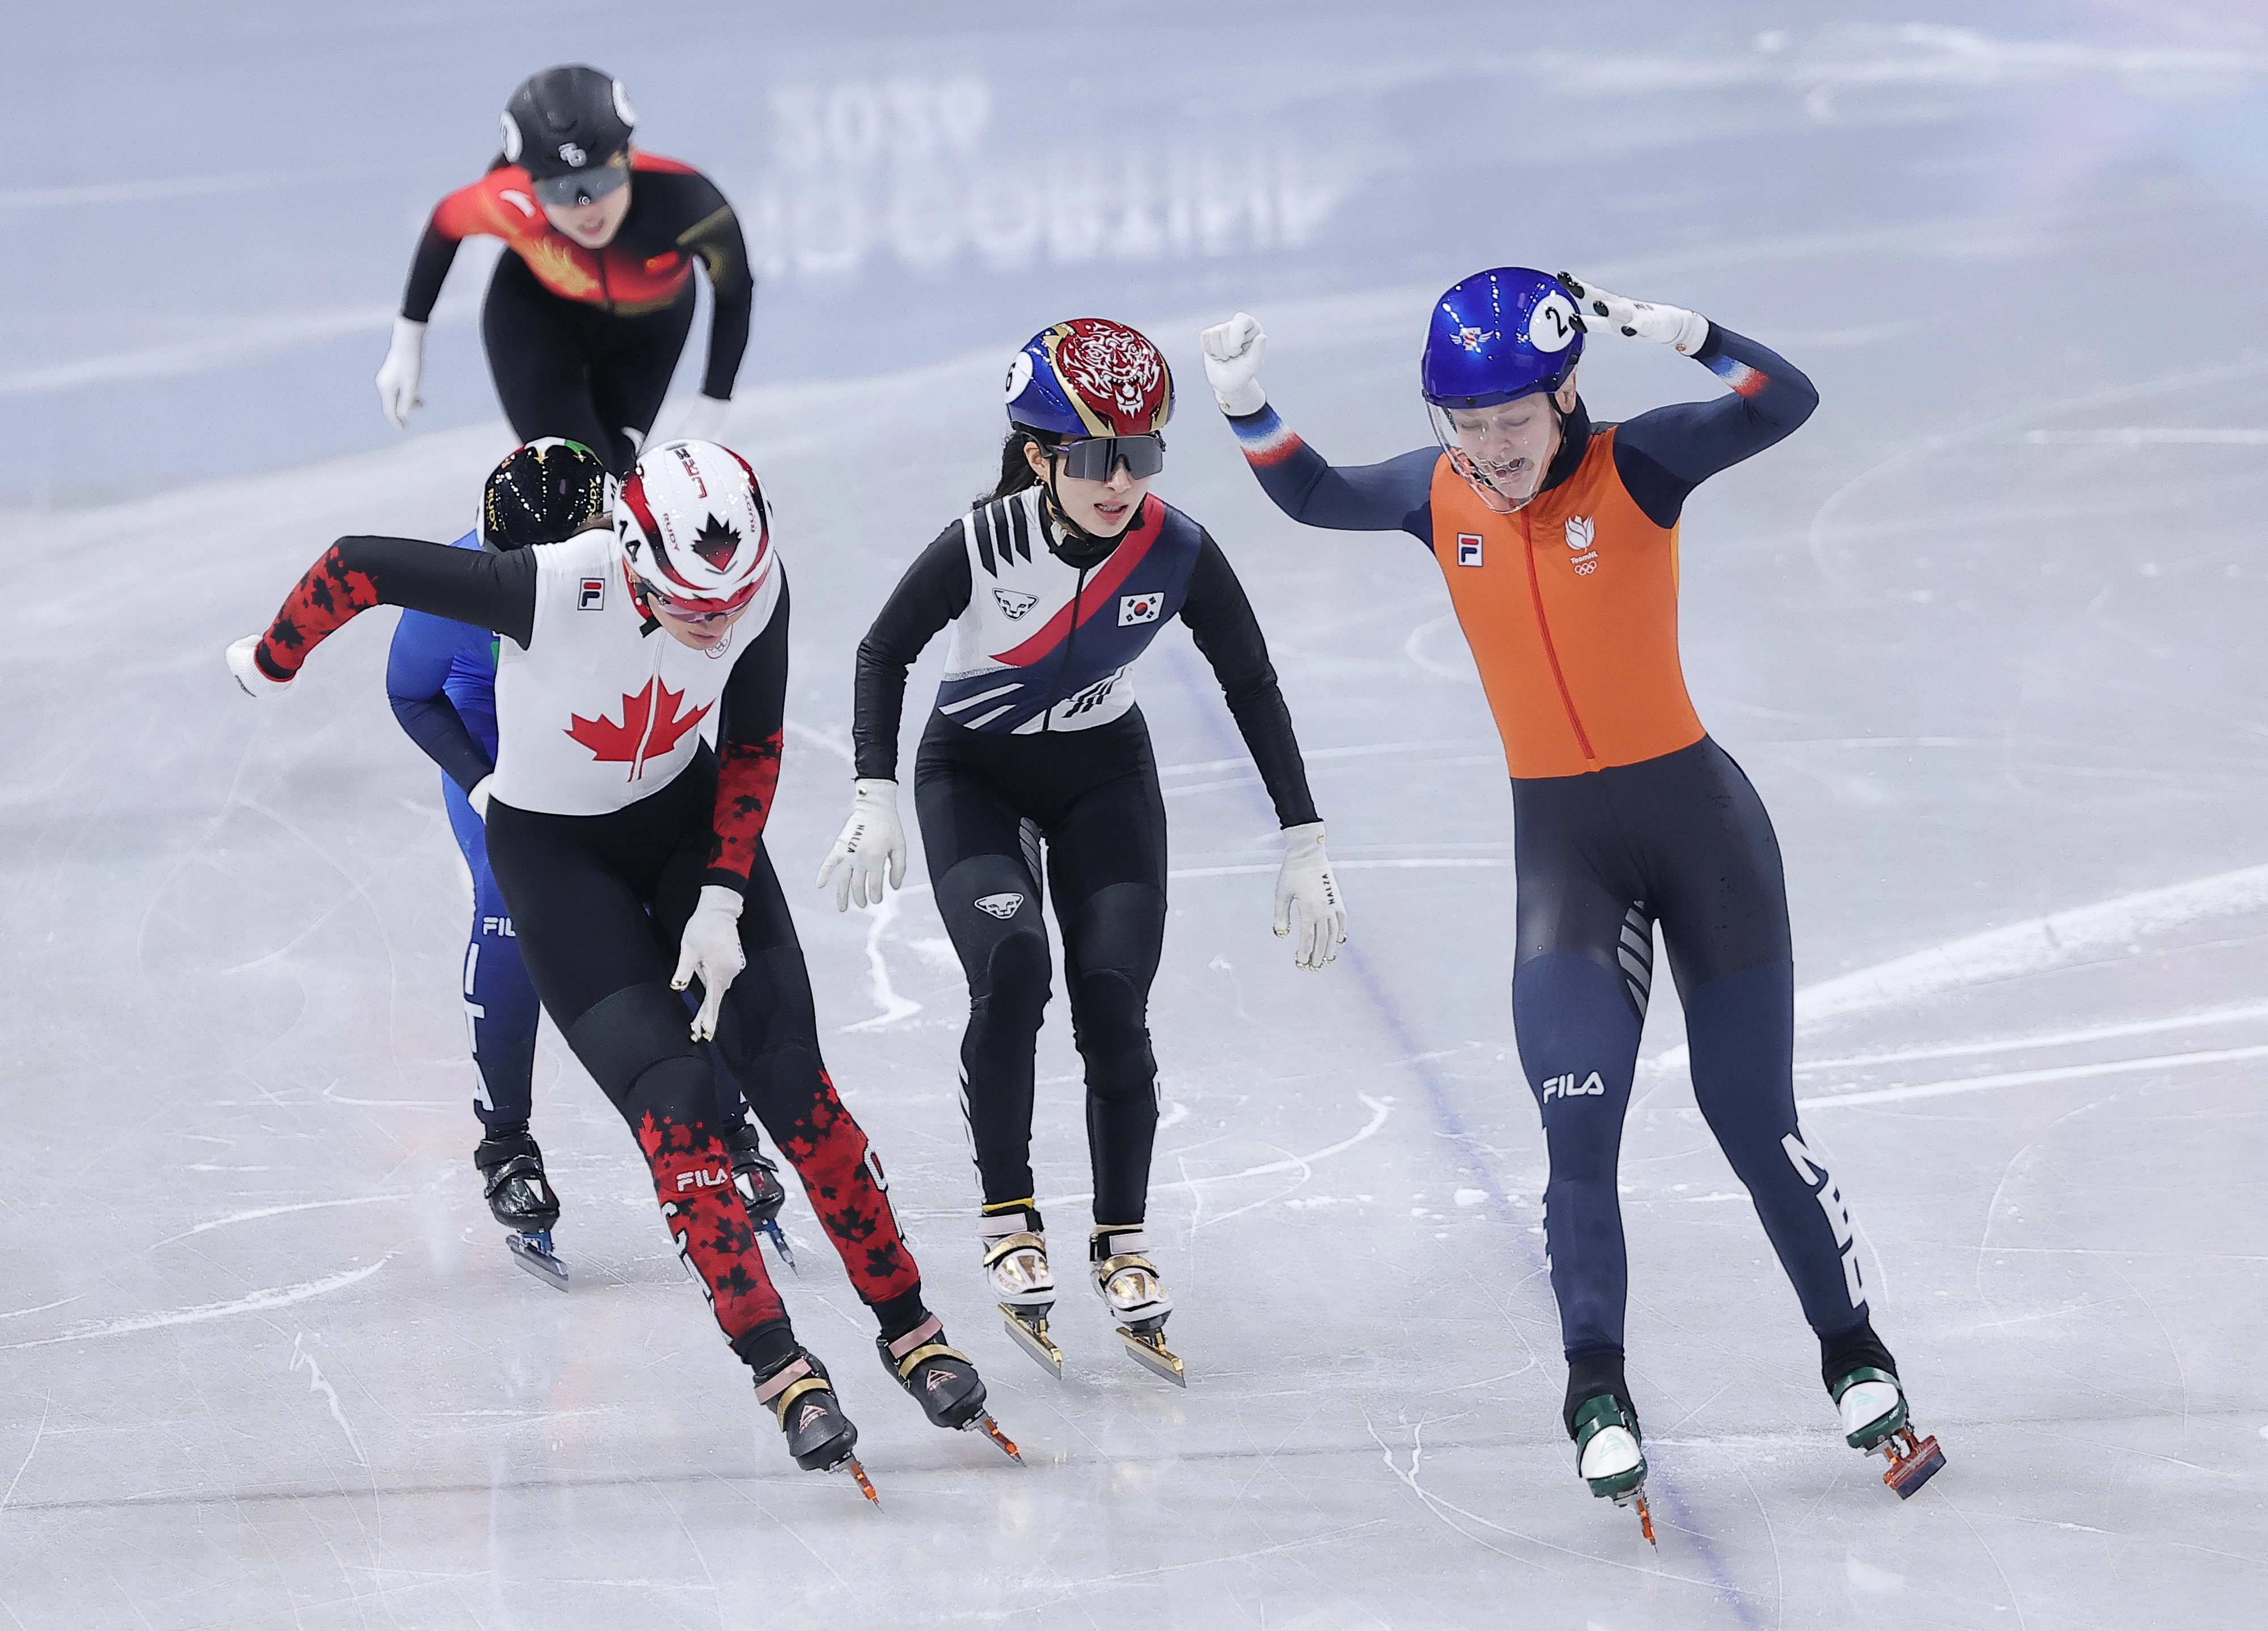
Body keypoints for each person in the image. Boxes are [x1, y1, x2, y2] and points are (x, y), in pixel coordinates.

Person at [1197, 271, 1944, 1537]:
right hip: (1566, 860)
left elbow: (1786, 402)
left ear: (1567, 394)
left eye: (1514, 417)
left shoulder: (1638, 470)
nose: (1489, 447)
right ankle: (1593, 1386)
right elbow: (1317, 492)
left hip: (1703, 838)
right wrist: (1243, 402)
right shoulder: (1439, 499)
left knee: (1748, 1118)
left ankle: (1854, 1354)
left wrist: (1698, 337)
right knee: (1574, 1122)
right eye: (1463, 419)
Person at [227, 438, 1015, 1493]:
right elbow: (357, 562)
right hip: (558, 859)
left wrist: (727, 890)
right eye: (695, 607)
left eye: (735, 604)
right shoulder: (548, 584)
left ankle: (912, 1325)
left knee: (797, 1089)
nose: (720, 624)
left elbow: (752, 741)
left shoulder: (754, 579)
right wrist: (274, 657)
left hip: (691, 831)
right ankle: (778, 1364)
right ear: (630, 553)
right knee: (681, 1106)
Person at [818, 318, 1345, 1387]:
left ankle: (1123, 1237)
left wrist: (1305, 836)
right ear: (1038, 456)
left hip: (1106, 776)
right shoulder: (984, 542)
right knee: (1013, 974)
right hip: (975, 777)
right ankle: (1009, 1212)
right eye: (1100, 458)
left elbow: (1252, 680)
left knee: (1114, 1000)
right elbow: (884, 648)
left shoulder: (1179, 548)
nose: (1124, 482)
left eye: (1144, 453)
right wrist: (874, 792)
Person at [383, 437, 793, 1288]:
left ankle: (728, 1121)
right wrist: (482, 783)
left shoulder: (657, 573)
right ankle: (505, 1140)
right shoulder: (467, 590)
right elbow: (410, 692)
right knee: (509, 905)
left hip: (619, 748)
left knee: (681, 904)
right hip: (506, 761)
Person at [374, 64, 752, 472]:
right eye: (561, 190)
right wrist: (407, 344)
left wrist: (710, 413)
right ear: (532, 183)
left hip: (649, 331)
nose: (587, 209)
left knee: (616, 477)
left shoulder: (692, 206)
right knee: (579, 483)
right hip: (538, 317)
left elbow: (735, 294)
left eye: (602, 182)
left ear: (628, 159)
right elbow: (444, 226)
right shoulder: (509, 200)